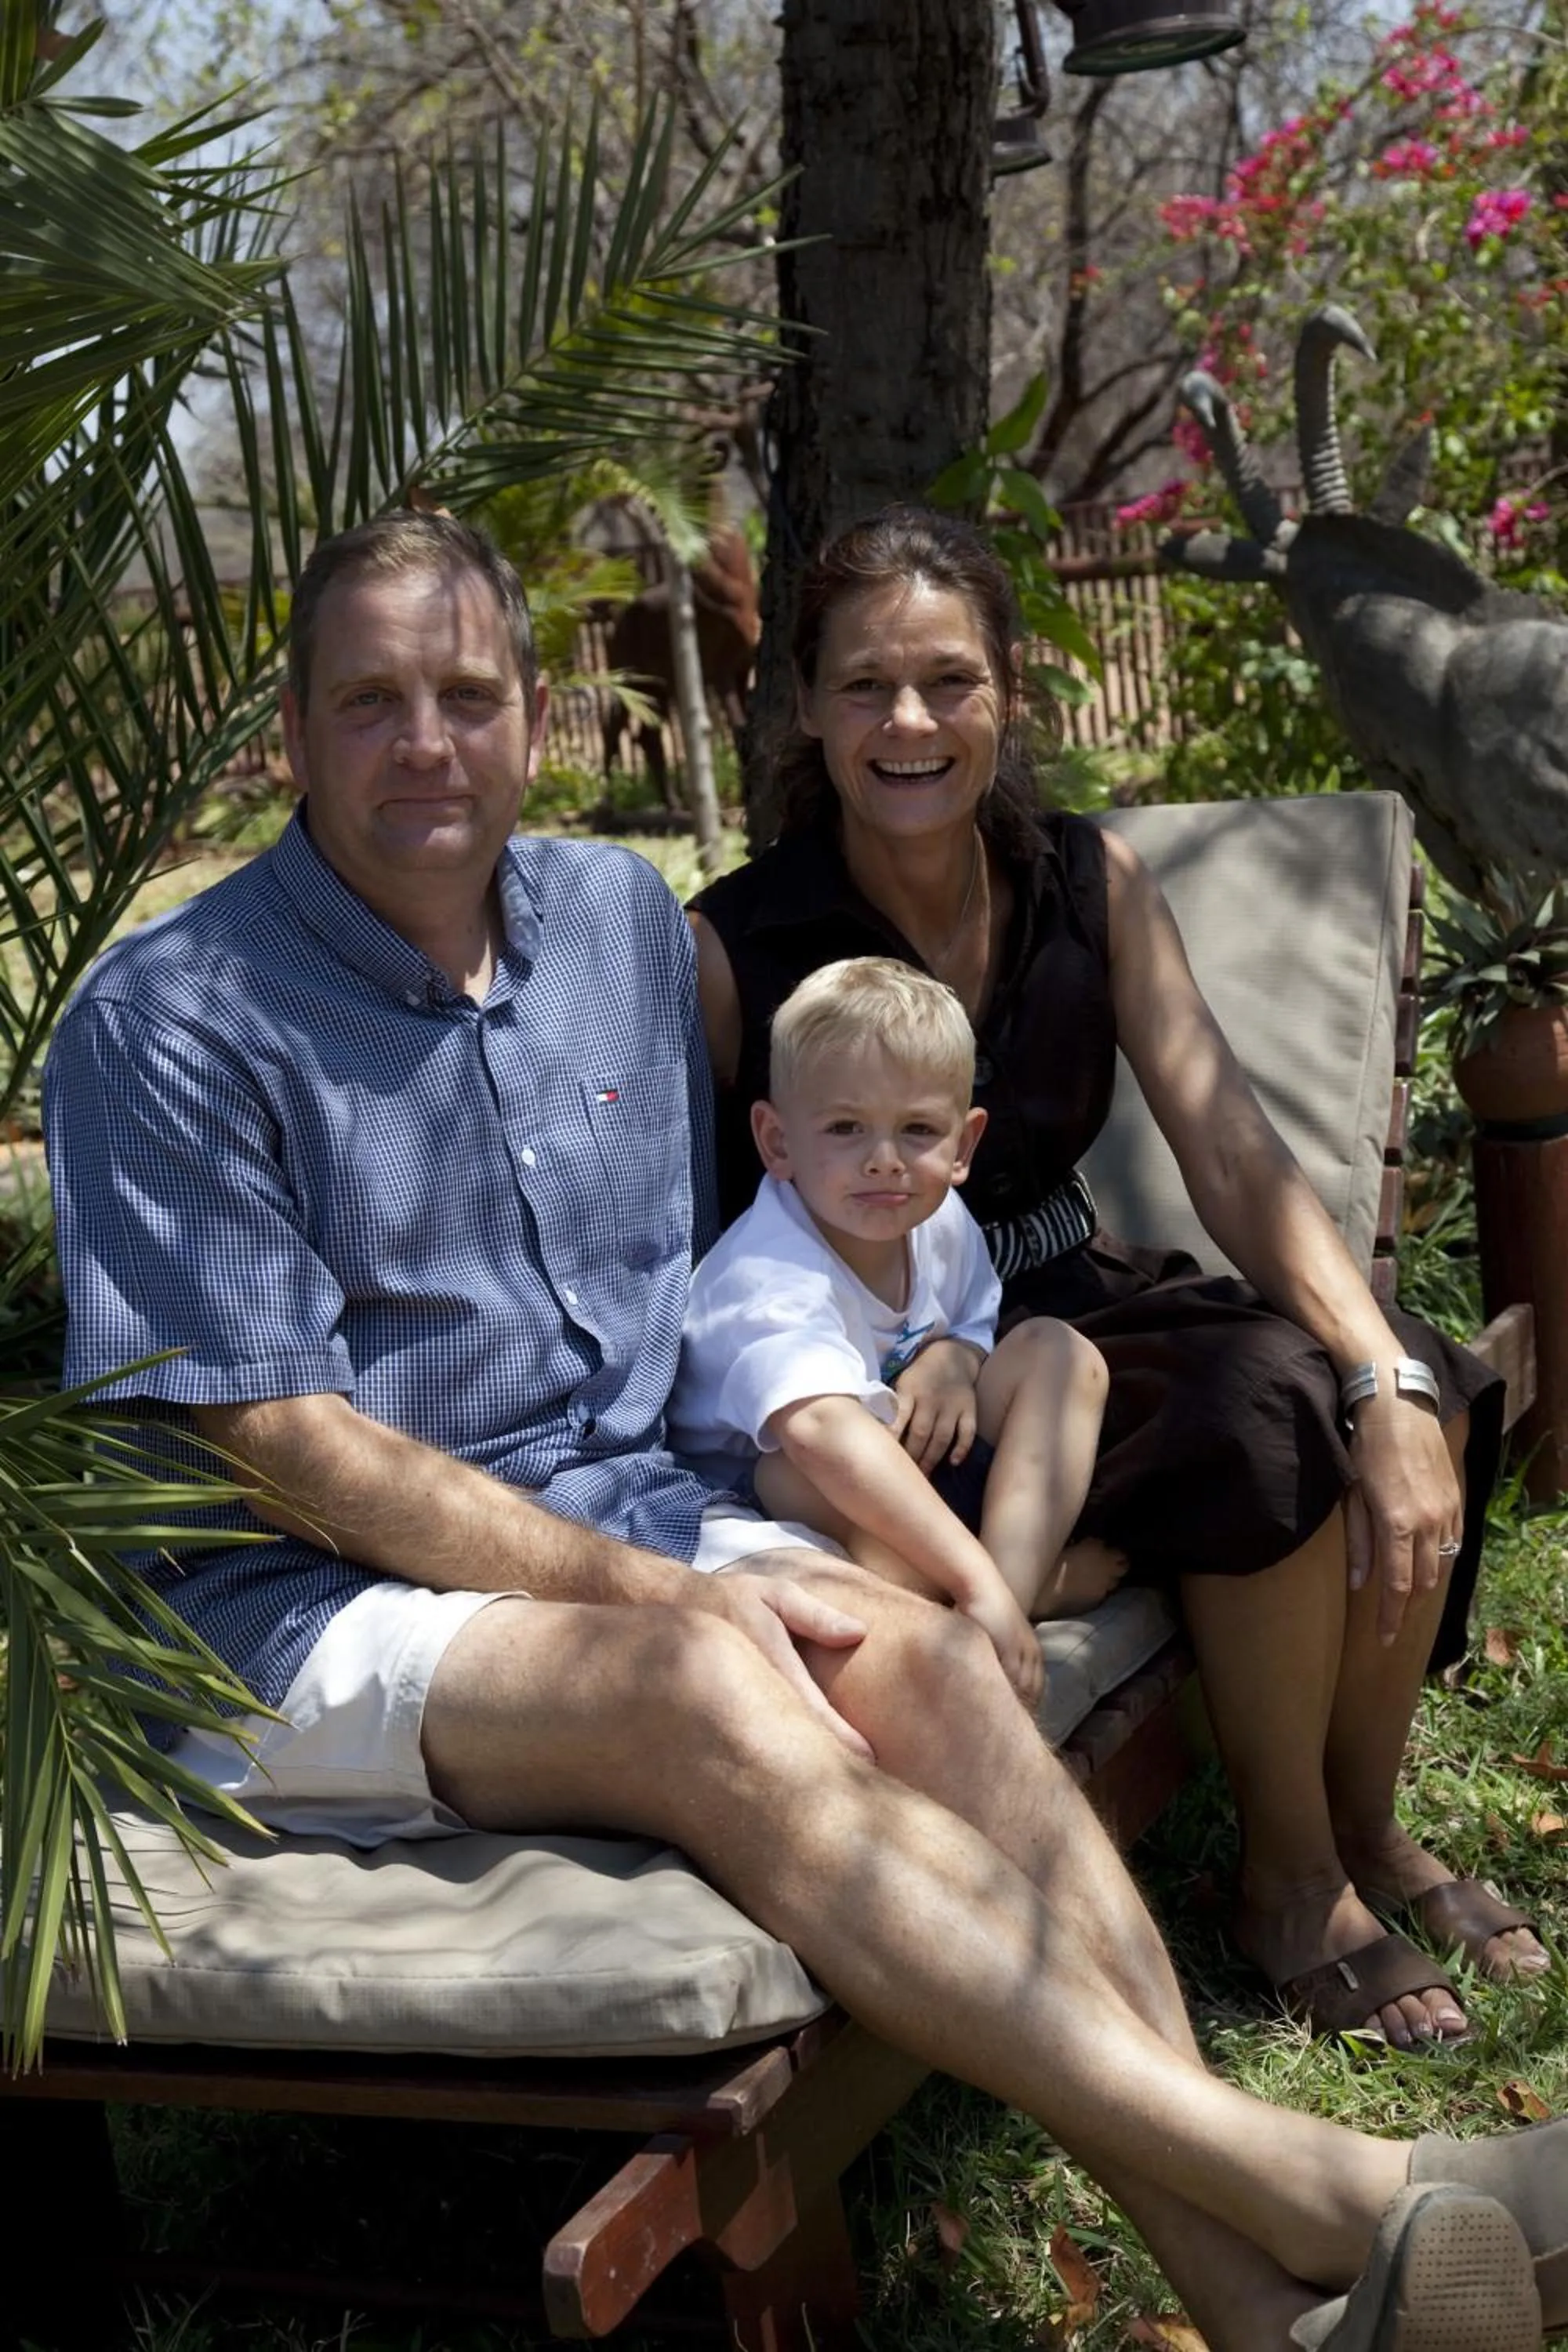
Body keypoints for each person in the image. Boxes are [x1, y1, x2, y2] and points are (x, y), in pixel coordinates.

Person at [42, 514, 1563, 2352]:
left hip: (634, 1513)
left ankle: (1262, 2304)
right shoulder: (171, 1017)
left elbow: (837, 1194)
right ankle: (1337, 2191)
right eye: (370, 701)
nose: (424, 743)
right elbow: (273, 1440)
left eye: (464, 694)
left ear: (534, 718)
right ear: (291, 732)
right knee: (706, 1689)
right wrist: (648, 1591)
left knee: (934, 1663)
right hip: (293, 1612)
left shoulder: (614, 926)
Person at [688, 503, 1552, 2049]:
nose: (908, 721)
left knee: (1426, 1376)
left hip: (1072, 1285)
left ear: (1008, 693)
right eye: (866, 684)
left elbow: (1229, 1147)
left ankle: (1361, 1823)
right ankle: (1286, 1882)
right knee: (1263, 1407)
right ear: (807, 708)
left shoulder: (1092, 881)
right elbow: (712, 1243)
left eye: (947, 679)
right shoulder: (736, 948)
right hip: (901, 1367)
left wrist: (1386, 1373)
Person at [669, 954, 1120, 1711]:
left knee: (1056, 1349)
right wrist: (968, 1575)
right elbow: (819, 1432)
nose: (885, 1161)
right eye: (845, 1128)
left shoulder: (938, 1220)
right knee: (794, 1468)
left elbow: (975, 1311)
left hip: (917, 1468)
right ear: (776, 1142)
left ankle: (1006, 1598)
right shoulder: (767, 1276)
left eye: (917, 1130)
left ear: (964, 1144)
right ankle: (991, 1594)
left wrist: (957, 1355)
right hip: (781, 1512)